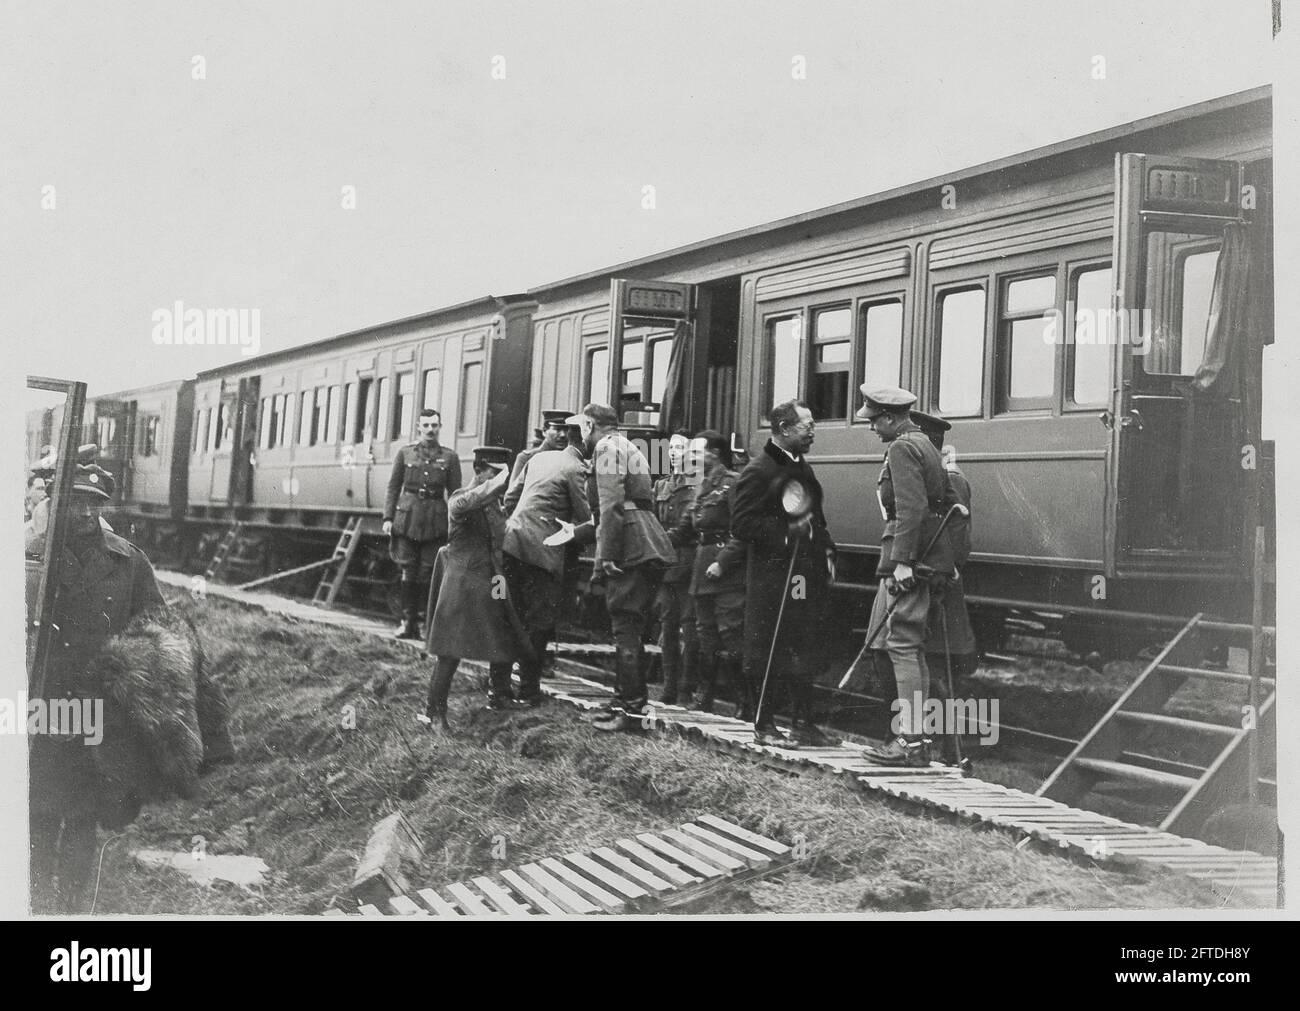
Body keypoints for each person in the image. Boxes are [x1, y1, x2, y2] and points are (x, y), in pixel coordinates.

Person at [28, 462, 167, 913]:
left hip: (99, 711)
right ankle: (37, 899)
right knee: (40, 810)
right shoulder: (33, 557)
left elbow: (156, 630)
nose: (86, 514)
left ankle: (70, 904)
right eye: (76, 503)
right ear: (58, 505)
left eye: (94, 504)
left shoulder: (128, 561)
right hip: (44, 704)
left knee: (84, 815)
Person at [857, 387, 957, 767]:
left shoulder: (902, 447)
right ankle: (916, 741)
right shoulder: (925, 445)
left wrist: (903, 562)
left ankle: (911, 743)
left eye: (873, 420)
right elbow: (947, 501)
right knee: (907, 645)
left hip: (910, 559)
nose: (871, 428)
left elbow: (912, 508)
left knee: (903, 645)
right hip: (923, 556)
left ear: (889, 417)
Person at [729, 401, 837, 748]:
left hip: (801, 578)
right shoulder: (759, 470)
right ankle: (764, 724)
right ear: (785, 429)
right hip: (773, 579)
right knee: (769, 645)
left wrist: (827, 550)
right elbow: (742, 524)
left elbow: (814, 518)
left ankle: (803, 723)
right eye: (808, 426)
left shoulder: (799, 466)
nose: (813, 432)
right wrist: (789, 533)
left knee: (802, 639)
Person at [568, 403, 676, 732]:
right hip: (647, 539)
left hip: (628, 544)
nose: (579, 435)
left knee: (625, 627)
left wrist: (606, 556)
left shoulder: (604, 448)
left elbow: (611, 505)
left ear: (590, 425)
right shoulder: (629, 446)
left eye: (581, 428)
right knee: (632, 626)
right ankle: (623, 700)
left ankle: (630, 710)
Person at [423, 446, 532, 728]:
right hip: (461, 583)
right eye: (493, 472)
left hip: (490, 580)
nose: (498, 479)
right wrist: (501, 479)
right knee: (450, 650)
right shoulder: (460, 499)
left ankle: (500, 695)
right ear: (479, 470)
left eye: (499, 473)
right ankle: (434, 713)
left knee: (505, 635)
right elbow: (476, 497)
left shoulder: (493, 505)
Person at [502, 417, 592, 705]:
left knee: (512, 615)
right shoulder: (575, 467)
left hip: (513, 541)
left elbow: (510, 497)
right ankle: (529, 692)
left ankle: (500, 690)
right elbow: (585, 517)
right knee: (540, 620)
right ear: (584, 439)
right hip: (541, 549)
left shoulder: (542, 459)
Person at [681, 431, 748, 715]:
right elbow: (689, 528)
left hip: (727, 572)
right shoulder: (702, 485)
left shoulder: (732, 483)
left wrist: (722, 562)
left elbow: (743, 530)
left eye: (698, 452)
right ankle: (703, 698)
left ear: (716, 454)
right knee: (705, 634)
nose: (692, 458)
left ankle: (745, 704)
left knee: (731, 634)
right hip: (702, 569)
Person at [383, 409, 461, 639]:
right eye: (426, 425)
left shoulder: (449, 457)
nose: (430, 430)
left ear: (439, 427)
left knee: (428, 572)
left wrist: (456, 524)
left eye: (434, 425)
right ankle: (407, 623)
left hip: (435, 521)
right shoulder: (405, 454)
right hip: (407, 519)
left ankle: (426, 624)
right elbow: (393, 486)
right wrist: (388, 518)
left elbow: (455, 493)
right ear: (418, 427)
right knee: (408, 570)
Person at [652, 429, 699, 705]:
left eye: (679, 448)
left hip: (688, 565)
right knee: (667, 628)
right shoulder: (661, 486)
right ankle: (669, 688)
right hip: (666, 567)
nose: (672, 452)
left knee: (690, 630)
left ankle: (686, 688)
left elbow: (688, 527)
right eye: (670, 448)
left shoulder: (696, 485)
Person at [503, 410, 570, 515]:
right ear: (544, 431)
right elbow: (511, 499)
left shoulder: (572, 460)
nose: (563, 435)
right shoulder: (526, 458)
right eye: (557, 429)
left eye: (566, 430)